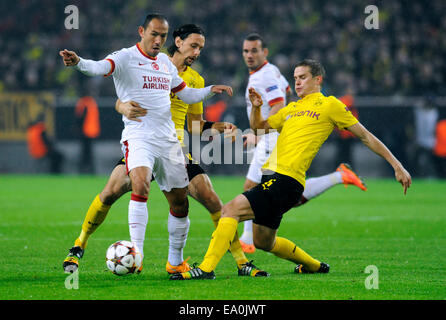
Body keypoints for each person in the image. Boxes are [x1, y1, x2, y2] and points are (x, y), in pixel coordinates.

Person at [170, 59, 412, 280]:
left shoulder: (330, 106)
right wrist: (256, 107)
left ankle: (206, 269)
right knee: (263, 241)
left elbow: (366, 137)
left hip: (286, 179)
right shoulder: (292, 108)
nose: (297, 82)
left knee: (229, 210)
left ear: (318, 79)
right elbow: (259, 129)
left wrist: (397, 165)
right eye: (295, 78)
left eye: (303, 77)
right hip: (274, 178)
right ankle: (314, 265)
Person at [62, 23, 268, 278]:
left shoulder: (194, 79)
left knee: (211, 198)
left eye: (201, 48)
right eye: (194, 46)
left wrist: (217, 127)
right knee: (110, 193)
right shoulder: (149, 61)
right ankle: (79, 243)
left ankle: (240, 261)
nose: (197, 53)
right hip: (144, 141)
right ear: (178, 42)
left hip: (173, 147)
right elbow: (121, 97)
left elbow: (194, 125)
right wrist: (122, 107)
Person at [238, 34, 367, 254]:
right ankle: (338, 176)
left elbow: (279, 103)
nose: (249, 55)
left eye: (254, 51)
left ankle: (247, 238)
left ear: (264, 52)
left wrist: (258, 133)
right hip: (270, 136)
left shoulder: (265, 76)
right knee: (282, 196)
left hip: (270, 138)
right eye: (246, 51)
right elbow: (287, 91)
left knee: (253, 189)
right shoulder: (272, 72)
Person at [75, 95, 101, 174]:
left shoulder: (83, 102)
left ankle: (84, 170)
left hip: (85, 131)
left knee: (85, 152)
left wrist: (77, 128)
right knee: (88, 152)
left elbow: (80, 117)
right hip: (91, 131)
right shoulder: (92, 102)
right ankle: (90, 170)